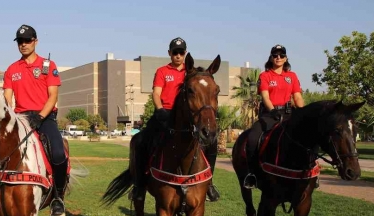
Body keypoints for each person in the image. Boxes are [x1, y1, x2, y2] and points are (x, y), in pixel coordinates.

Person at [131, 38, 221, 203]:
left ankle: (209, 183)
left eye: (181, 52)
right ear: (169, 53)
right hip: (165, 113)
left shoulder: (190, 73)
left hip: (186, 117)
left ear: (185, 54)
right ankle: (139, 186)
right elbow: (156, 93)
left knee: (211, 143)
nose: (178, 55)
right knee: (140, 141)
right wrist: (160, 111)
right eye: (175, 52)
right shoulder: (162, 71)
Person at [3, 24, 67, 216]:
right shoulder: (12, 69)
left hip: (44, 117)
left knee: (57, 153)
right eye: (20, 42)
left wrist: (40, 117)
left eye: (27, 40)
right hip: (20, 117)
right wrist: (9, 117)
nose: (23, 44)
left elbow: (53, 96)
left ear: (35, 41)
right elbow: (7, 98)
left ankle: (57, 197)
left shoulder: (48, 66)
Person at [243, 44, 305, 189]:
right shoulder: (265, 75)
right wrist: (272, 111)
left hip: (289, 114)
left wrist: (303, 113)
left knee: (306, 136)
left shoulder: (292, 76)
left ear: (286, 58)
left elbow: (297, 96)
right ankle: (252, 173)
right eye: (275, 55)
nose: (278, 58)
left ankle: (309, 172)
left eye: (281, 55)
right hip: (270, 114)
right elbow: (265, 96)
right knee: (253, 138)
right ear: (271, 58)